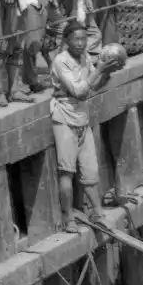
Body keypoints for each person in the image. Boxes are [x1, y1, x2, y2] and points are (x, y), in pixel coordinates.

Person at [48, 19, 111, 233]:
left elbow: (95, 84)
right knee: (67, 170)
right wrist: (99, 69)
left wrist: (107, 72)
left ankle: (98, 212)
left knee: (91, 171)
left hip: (83, 118)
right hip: (64, 117)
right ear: (66, 40)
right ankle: (68, 219)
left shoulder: (85, 58)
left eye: (84, 39)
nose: (81, 43)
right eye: (76, 39)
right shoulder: (60, 61)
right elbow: (80, 91)